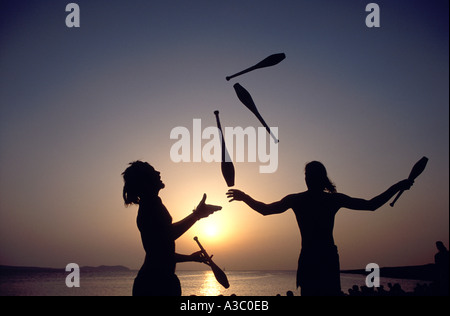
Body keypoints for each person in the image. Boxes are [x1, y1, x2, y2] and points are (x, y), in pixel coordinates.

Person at [227, 161, 413, 296]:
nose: (307, 178)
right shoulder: (316, 199)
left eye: (310, 175)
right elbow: (266, 210)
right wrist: (245, 198)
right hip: (320, 257)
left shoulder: (307, 200)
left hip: (319, 258)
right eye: (306, 175)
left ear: (319, 178)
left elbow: (370, 205)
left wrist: (396, 186)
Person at [122, 161, 222, 296]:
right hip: (155, 284)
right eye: (153, 172)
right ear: (145, 181)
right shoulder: (150, 206)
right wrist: (196, 215)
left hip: (156, 280)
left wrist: (190, 258)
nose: (158, 173)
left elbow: (160, 254)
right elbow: (168, 235)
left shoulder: (152, 204)